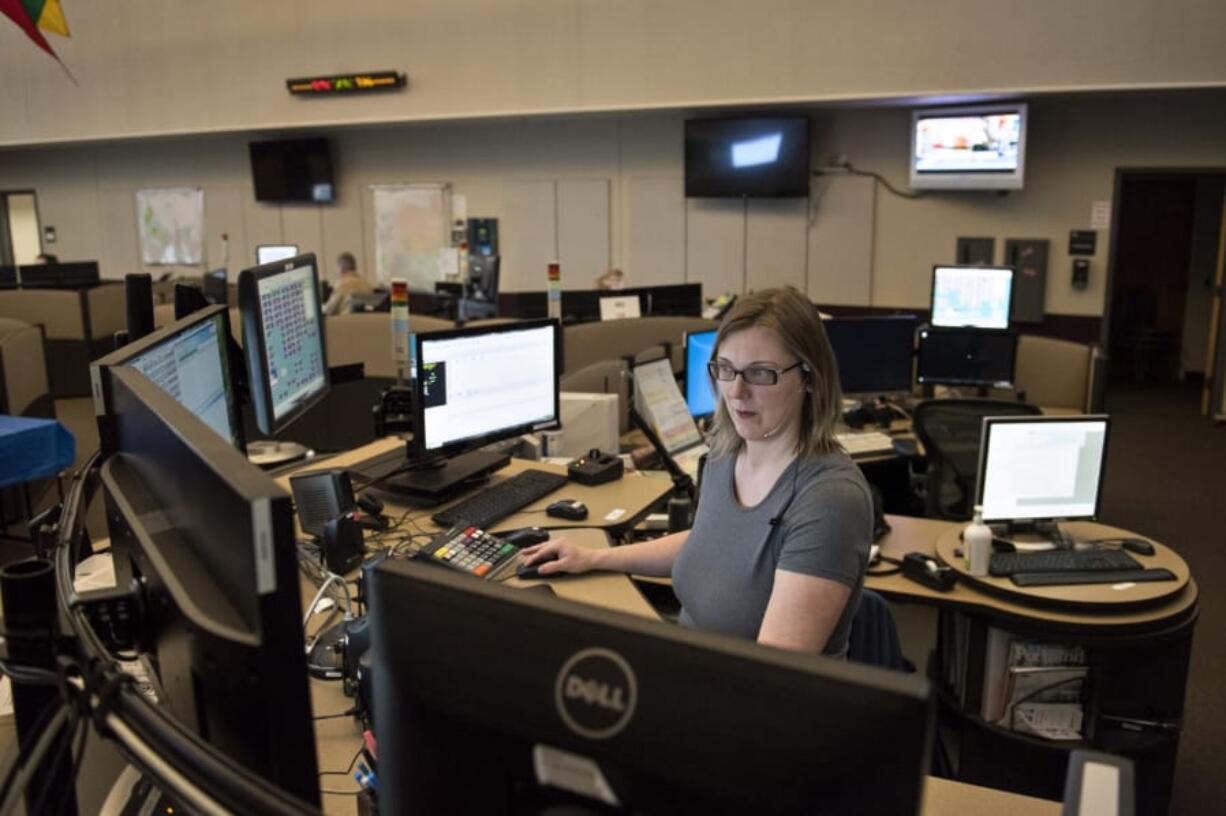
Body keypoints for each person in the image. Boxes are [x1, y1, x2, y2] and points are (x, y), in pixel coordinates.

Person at [520, 286, 872, 657]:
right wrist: (595, 558)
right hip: (696, 669)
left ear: (810, 378)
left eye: (761, 373)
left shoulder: (830, 499)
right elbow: (708, 543)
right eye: (725, 369)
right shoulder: (725, 452)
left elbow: (773, 679)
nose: (735, 392)